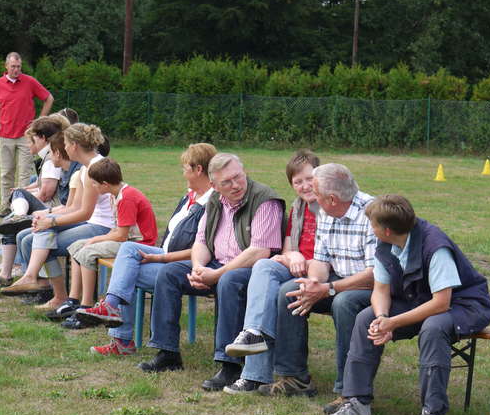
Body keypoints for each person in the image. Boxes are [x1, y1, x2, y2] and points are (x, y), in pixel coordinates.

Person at [328, 195, 490, 415]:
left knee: (433, 327)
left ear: (385, 230)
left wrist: (393, 323)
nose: (370, 229)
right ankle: (357, 403)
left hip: (465, 304)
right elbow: (380, 290)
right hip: (421, 299)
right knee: (366, 318)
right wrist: (382, 318)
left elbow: (441, 303)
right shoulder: (385, 244)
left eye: (372, 225)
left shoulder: (435, 246)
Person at [138, 153, 285, 393]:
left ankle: (229, 364)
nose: (235, 185)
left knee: (228, 280)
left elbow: (260, 251)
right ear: (214, 185)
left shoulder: (264, 200)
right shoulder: (215, 200)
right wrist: (198, 267)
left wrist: (215, 275)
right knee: (170, 273)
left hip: (254, 271)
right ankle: (167, 352)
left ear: (244, 171)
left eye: (238, 177)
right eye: (226, 182)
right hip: (217, 263)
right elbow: (201, 241)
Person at [73, 143, 217, 355]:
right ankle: (113, 313)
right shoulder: (190, 196)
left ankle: (120, 337)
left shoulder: (211, 203)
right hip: (165, 256)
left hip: (184, 265)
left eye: (185, 167)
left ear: (198, 170)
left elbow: (204, 250)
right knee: (128, 252)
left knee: (126, 273)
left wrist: (161, 258)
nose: (182, 172)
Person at [258, 163, 376, 414]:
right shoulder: (327, 212)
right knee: (291, 290)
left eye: (318, 196)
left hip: (373, 286)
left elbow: (375, 275)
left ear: (332, 198)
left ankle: (349, 391)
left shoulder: (371, 214)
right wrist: (313, 285)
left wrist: (328, 288)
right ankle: (294, 378)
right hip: (338, 279)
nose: (315, 201)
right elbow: (321, 261)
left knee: (344, 303)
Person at [222, 150, 320, 394]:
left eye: (309, 179)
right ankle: (253, 334)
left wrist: (300, 259)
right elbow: (288, 249)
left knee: (278, 293)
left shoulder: (329, 205)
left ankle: (255, 374)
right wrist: (292, 255)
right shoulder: (298, 208)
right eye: (298, 182)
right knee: (264, 266)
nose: (305, 186)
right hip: (296, 267)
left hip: (320, 272)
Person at [1, 123, 114, 309]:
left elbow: (85, 212)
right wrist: (48, 218)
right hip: (92, 222)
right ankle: (48, 289)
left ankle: (53, 291)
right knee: (34, 238)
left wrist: (50, 220)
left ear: (75, 146)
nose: (65, 148)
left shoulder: (94, 168)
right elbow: (75, 207)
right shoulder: (86, 168)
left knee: (44, 241)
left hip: (103, 227)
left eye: (67, 144)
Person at [59, 158, 158, 330]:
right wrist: (94, 240)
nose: (94, 188)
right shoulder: (115, 194)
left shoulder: (126, 198)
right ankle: (74, 300)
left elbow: (121, 235)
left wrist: (95, 240)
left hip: (139, 244)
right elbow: (117, 230)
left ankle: (87, 306)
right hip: (126, 239)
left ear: (104, 184)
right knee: (76, 247)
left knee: (87, 252)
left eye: (95, 184)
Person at [0, 115, 72, 287]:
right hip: (54, 209)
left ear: (43, 138)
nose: (29, 143)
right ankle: (6, 273)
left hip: (53, 208)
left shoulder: (51, 159)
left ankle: (14, 271)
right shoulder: (48, 157)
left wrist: (25, 197)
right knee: (14, 219)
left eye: (32, 139)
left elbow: (46, 192)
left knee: (17, 217)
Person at [0, 52, 54, 217]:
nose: (16, 70)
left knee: (24, 173)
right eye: (13, 66)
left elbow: (48, 98)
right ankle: (5, 206)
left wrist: (41, 119)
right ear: (6, 66)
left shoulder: (29, 82)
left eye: (18, 67)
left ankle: (21, 207)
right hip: (5, 135)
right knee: (6, 173)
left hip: (27, 137)